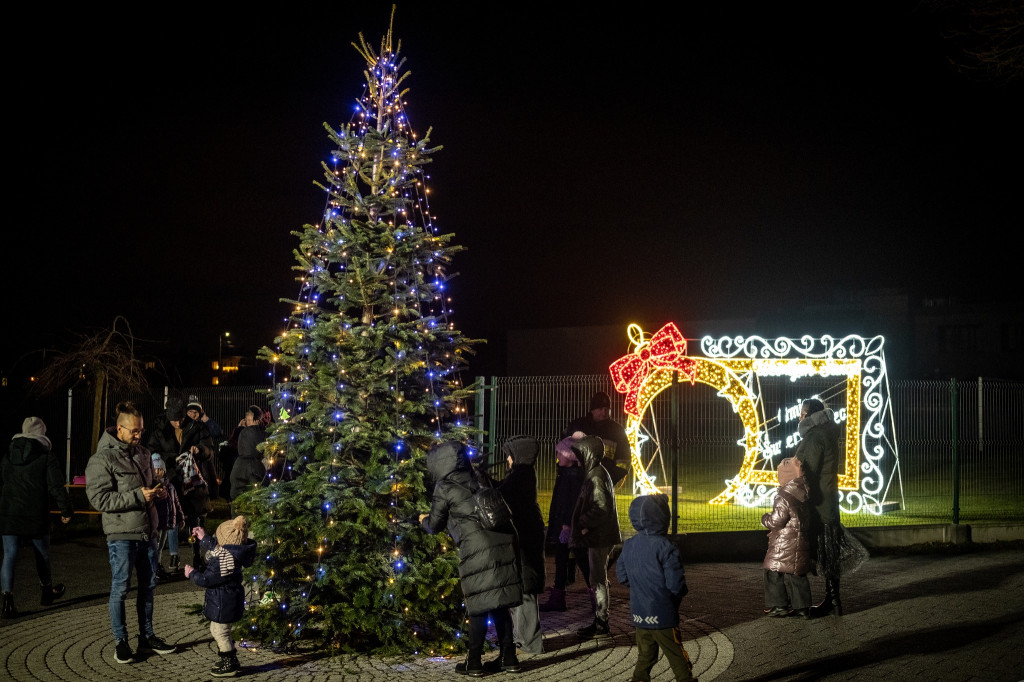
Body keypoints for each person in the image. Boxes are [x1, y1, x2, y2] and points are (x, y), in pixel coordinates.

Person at [420, 442, 523, 677]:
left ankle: (474, 663)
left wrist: (422, 520)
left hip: (477, 547)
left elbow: (435, 525)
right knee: (499, 602)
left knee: (478, 605)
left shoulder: (444, 486)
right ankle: (509, 659)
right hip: (500, 539)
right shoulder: (477, 476)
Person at [85, 401, 177, 664]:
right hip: (121, 534)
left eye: (141, 430)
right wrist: (138, 495)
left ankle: (147, 636)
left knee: (148, 586)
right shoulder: (102, 458)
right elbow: (100, 500)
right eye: (134, 431)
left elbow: (146, 488)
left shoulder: (144, 453)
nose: (139, 435)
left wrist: (156, 489)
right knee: (121, 588)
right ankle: (121, 641)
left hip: (148, 531)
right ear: (119, 428)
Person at [794, 398, 866, 617]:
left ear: (811, 415)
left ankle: (828, 602)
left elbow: (806, 470)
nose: (800, 417)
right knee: (828, 553)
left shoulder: (815, 437)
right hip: (828, 500)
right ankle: (833, 601)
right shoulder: (827, 432)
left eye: (803, 413)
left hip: (818, 504)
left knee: (821, 552)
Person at [1, 417, 74, 618]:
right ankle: (46, 592)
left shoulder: (8, 454)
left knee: (9, 555)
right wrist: (66, 510)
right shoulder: (46, 456)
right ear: (42, 434)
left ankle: (7, 601)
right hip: (36, 512)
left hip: (10, 512)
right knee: (42, 554)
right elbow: (56, 486)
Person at [616, 494, 693, 682]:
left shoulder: (629, 545)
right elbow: (675, 584)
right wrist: (676, 597)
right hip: (663, 614)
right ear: (663, 518)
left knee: (646, 655)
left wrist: (638, 586)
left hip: (640, 613)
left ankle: (639, 679)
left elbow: (622, 576)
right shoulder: (666, 546)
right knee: (677, 657)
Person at [146, 397, 216, 569]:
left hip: (192, 481)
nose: (178, 422)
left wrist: (200, 450)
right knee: (169, 520)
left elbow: (210, 450)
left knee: (195, 520)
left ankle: (197, 555)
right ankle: (166, 558)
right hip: (171, 480)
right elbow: (152, 452)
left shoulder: (196, 427)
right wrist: (169, 460)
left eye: (181, 419)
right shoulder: (160, 431)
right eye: (174, 419)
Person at [184, 515, 255, 678]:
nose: (215, 540)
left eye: (218, 537)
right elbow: (218, 548)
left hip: (223, 603)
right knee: (218, 630)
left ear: (225, 543)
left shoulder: (223, 561)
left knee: (220, 632)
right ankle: (229, 658)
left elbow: (206, 579)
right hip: (227, 599)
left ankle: (229, 662)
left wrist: (192, 573)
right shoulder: (232, 553)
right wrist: (204, 537)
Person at [569, 435, 621, 639]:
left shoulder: (596, 476)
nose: (578, 459)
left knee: (598, 580)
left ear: (589, 454)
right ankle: (600, 620)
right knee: (598, 579)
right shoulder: (596, 473)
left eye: (581, 454)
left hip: (600, 537)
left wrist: (582, 523)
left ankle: (601, 623)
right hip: (600, 535)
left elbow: (601, 508)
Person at [497, 435, 545, 654]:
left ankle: (531, 643)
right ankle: (523, 637)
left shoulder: (521, 476)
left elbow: (502, 496)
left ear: (519, 455)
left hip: (524, 540)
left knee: (525, 590)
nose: (507, 459)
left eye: (509, 455)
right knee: (523, 588)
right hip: (526, 538)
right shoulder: (522, 474)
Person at [539, 434, 589, 612]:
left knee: (582, 559)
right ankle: (558, 597)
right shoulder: (564, 474)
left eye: (561, 453)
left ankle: (596, 596)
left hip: (568, 527)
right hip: (563, 525)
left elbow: (572, 502)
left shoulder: (573, 477)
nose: (557, 456)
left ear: (571, 457)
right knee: (561, 560)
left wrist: (567, 525)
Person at [761, 456, 813, 618]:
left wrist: (765, 519)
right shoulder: (805, 491)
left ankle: (778, 605)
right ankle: (803, 608)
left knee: (772, 570)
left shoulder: (784, 495)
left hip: (784, 541)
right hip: (800, 540)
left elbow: (777, 521)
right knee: (796, 572)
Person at [562, 391, 631, 482]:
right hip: (577, 482)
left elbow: (624, 461)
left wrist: (609, 479)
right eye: (600, 409)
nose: (604, 412)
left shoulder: (617, 431)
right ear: (592, 409)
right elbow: (562, 452)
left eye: (607, 409)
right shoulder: (578, 426)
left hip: (604, 482)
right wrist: (571, 475)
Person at [151, 454, 185, 579]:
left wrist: (180, 518)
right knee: (156, 546)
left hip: (167, 521)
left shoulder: (170, 486)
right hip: (157, 522)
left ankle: (158, 566)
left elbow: (176, 502)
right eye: (155, 469)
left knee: (160, 546)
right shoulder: (153, 487)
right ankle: (154, 567)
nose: (158, 472)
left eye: (160, 469)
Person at [228, 405, 267, 503]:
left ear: (257, 421)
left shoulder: (243, 432)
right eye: (247, 420)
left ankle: (236, 517)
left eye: (249, 420)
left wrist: (238, 429)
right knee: (257, 496)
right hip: (253, 466)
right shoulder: (262, 432)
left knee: (238, 497)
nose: (247, 423)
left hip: (240, 466)